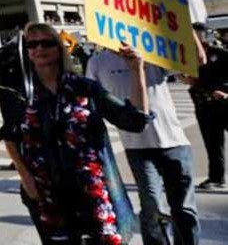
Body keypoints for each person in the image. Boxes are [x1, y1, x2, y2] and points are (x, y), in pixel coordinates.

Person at [6, 24, 149, 245]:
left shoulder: (85, 87)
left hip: (91, 188)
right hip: (46, 192)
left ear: (59, 48)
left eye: (47, 42)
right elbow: (10, 137)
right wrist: (26, 180)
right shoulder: (18, 94)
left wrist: (136, 69)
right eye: (32, 44)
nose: (39, 48)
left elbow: (134, 120)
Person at [86, 36, 203, 245]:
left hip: (174, 142)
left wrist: (189, 26)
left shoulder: (152, 52)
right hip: (137, 147)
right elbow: (90, 100)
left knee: (184, 208)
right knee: (152, 207)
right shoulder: (97, 62)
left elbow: (196, 62)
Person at [189, 23, 228, 190]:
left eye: (196, 34)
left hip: (223, 102)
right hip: (203, 103)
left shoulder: (219, 53)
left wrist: (226, 90)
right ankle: (216, 177)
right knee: (212, 143)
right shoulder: (188, 56)